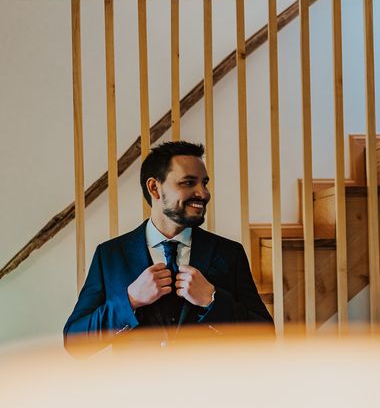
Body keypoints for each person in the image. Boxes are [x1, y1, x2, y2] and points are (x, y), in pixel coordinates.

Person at [64, 141, 273, 354]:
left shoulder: (229, 253)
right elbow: (75, 343)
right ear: (154, 187)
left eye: (205, 183)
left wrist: (212, 300)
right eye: (188, 182)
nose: (203, 193)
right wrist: (130, 301)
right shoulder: (110, 255)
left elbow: (265, 337)